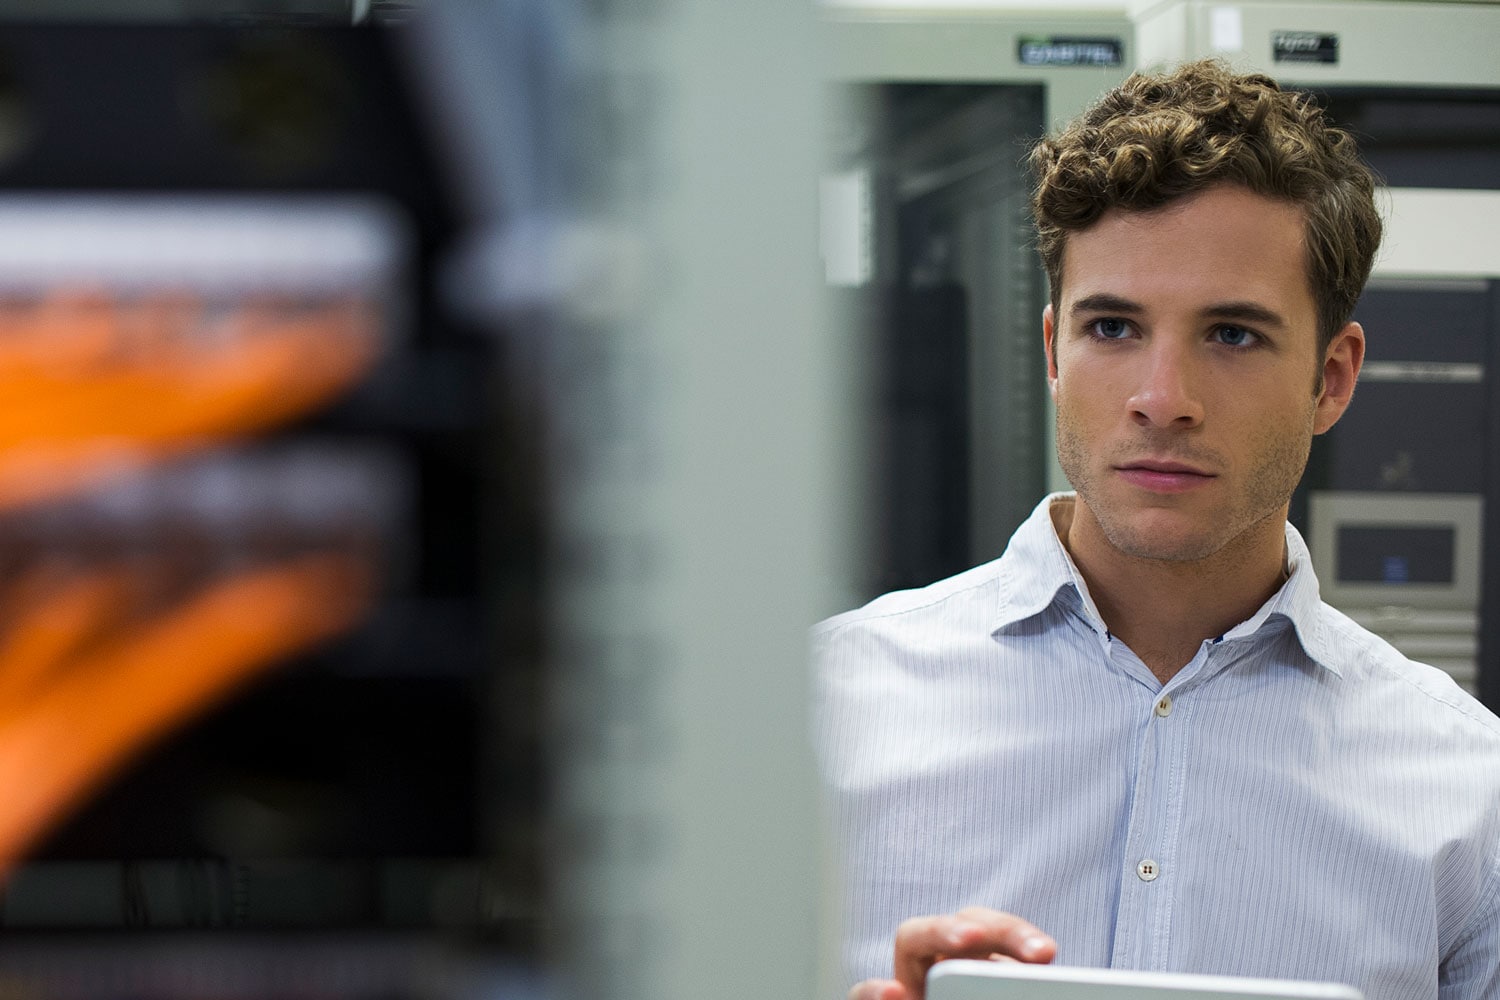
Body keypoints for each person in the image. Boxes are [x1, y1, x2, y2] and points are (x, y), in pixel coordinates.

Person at [815, 60, 1500, 1000]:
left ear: (1332, 379)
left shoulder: (1469, 792)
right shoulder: (823, 717)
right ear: (1054, 350)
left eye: (1232, 334)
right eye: (1113, 328)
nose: (1162, 400)